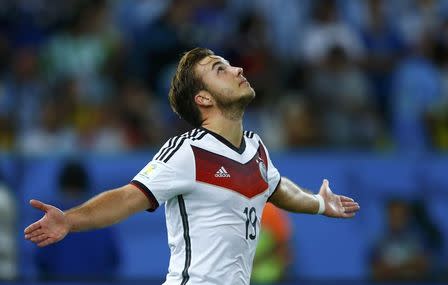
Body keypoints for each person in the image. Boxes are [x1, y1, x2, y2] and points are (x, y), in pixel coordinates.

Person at [24, 47, 360, 285]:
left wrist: (318, 203)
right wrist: (69, 219)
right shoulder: (188, 151)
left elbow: (275, 185)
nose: (237, 69)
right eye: (220, 69)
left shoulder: (256, 148)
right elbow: (129, 197)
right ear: (203, 99)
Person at [34, 160, 120, 280]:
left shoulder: (50, 218)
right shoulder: (101, 214)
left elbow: (42, 260)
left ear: (61, 182)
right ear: (85, 183)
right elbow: (114, 258)